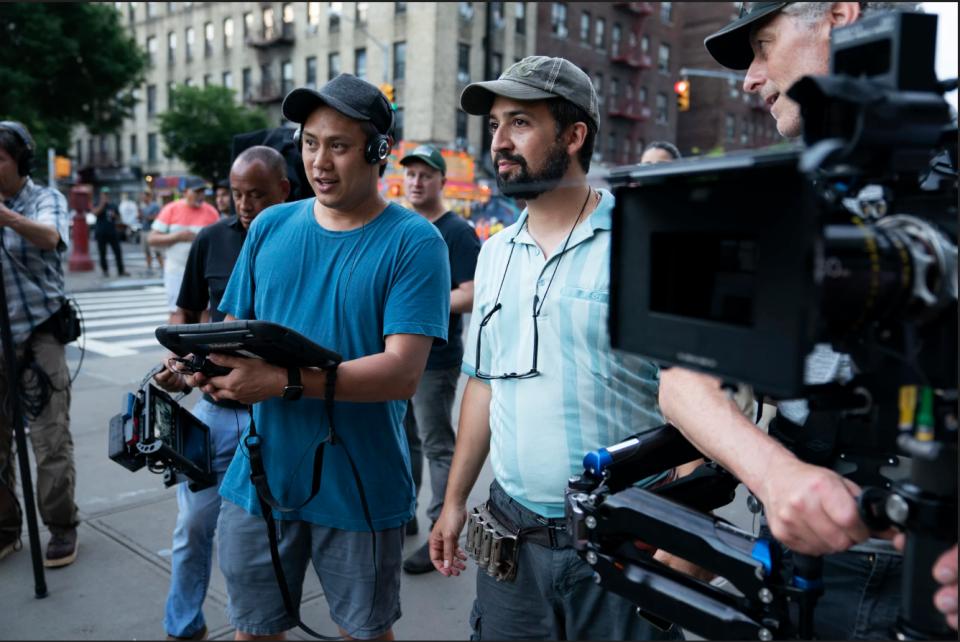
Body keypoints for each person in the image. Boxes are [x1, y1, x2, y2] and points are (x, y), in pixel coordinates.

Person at [653, 2, 957, 638]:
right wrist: (774, 476)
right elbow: (684, 380)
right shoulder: (780, 196)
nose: (749, 79)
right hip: (803, 567)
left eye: (764, 46)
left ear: (840, 14)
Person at [181, 73, 450, 641]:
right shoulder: (271, 226)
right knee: (252, 629)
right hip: (260, 481)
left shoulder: (416, 242)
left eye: (339, 145)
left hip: (359, 485)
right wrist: (201, 363)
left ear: (379, 152)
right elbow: (233, 330)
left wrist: (279, 381)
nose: (319, 162)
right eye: (309, 143)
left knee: (363, 632)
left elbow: (401, 372)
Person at [428, 56, 680, 641]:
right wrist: (453, 500)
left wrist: (682, 536)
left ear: (573, 135)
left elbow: (699, 401)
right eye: (494, 125)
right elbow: (483, 385)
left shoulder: (646, 244)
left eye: (519, 123)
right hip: (512, 542)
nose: (498, 142)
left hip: (624, 540)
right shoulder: (494, 254)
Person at [152, 146, 291, 641]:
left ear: (283, 191)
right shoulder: (211, 239)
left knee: (261, 533)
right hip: (214, 410)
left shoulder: (299, 240)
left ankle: (255, 621)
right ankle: (183, 623)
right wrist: (176, 360)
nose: (245, 204)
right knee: (193, 526)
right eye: (235, 194)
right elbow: (184, 314)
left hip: (276, 414)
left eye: (256, 194)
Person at [397, 144, 481, 574]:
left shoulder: (457, 230)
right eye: (410, 174)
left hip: (436, 358)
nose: (416, 181)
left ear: (441, 181)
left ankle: (439, 531)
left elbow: (470, 293)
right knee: (404, 440)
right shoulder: (402, 226)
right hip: (396, 356)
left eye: (425, 175)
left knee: (436, 443)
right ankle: (405, 514)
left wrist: (418, 303)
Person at [0, 120, 80, 567]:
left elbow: (51, 237)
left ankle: (61, 526)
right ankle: (6, 528)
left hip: (41, 334)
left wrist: (6, 215)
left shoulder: (45, 198)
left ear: (20, 161)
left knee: (50, 440)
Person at [148, 178, 219, 313]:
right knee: (177, 312)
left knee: (205, 311)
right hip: (176, 271)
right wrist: (178, 236)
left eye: (202, 192)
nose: (200, 196)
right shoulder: (171, 209)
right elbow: (152, 239)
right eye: (196, 192)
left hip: (204, 272)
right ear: (185, 192)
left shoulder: (211, 212)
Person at [92, 188, 129, 277]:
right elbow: (95, 213)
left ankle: (121, 270)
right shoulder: (97, 203)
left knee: (118, 251)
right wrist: (102, 204)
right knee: (102, 253)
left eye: (107, 194)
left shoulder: (113, 205)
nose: (105, 196)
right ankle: (105, 271)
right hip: (101, 232)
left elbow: (119, 218)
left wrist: (115, 215)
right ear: (101, 195)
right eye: (104, 194)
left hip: (112, 232)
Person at [139, 190, 163, 272]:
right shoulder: (143, 206)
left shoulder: (154, 206)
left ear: (148, 196)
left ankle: (162, 266)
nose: (142, 198)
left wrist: (146, 216)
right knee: (146, 251)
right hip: (144, 230)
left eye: (144, 196)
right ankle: (149, 267)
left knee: (156, 250)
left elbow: (157, 217)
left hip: (152, 230)